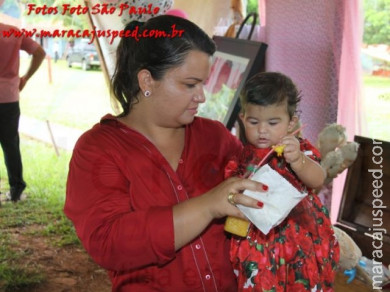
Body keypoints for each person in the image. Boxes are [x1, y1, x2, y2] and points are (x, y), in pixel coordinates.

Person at [64, 15, 267, 292]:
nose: (202, 96)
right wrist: (208, 206)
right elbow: (108, 243)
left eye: (203, 84)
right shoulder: (99, 149)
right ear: (147, 81)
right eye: (189, 84)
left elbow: (259, 185)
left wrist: (300, 163)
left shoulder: (215, 137)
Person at [226, 72, 340, 291]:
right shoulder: (242, 156)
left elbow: (318, 179)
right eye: (253, 121)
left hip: (298, 235)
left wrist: (298, 160)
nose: (262, 130)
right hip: (257, 239)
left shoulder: (297, 148)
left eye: (272, 122)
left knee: (300, 280)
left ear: (291, 123)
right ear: (242, 118)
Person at [0, 22, 46, 202]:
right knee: (11, 144)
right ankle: (16, 189)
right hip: (9, 96)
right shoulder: (13, 32)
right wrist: (25, 78)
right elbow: (40, 53)